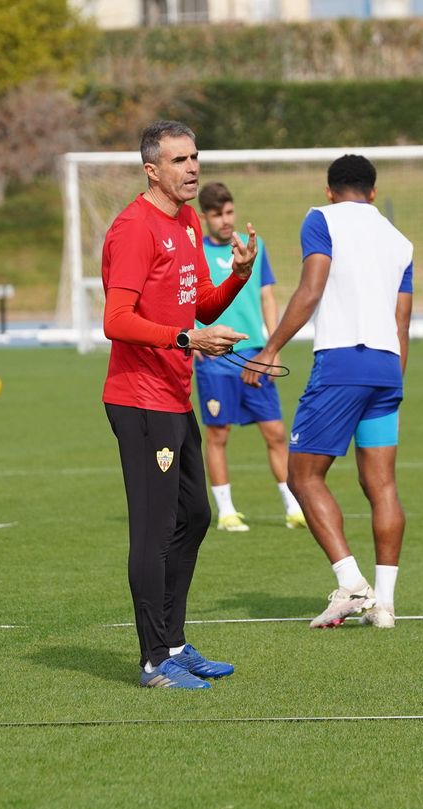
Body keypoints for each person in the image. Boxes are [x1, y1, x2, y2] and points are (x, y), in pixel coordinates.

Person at [101, 120, 253, 689]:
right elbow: (116, 321)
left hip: (173, 395)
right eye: (179, 160)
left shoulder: (187, 220)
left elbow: (201, 306)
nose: (192, 168)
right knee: (155, 529)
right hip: (139, 402)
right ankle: (152, 660)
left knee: (195, 516)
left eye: (195, 157)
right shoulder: (133, 229)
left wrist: (238, 277)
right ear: (152, 170)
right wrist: (187, 339)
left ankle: (174, 642)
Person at [250, 154, 412, 630]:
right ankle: (385, 606)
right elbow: (402, 320)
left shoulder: (320, 218)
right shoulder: (399, 240)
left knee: (302, 476)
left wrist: (270, 348)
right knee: (382, 486)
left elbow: (311, 288)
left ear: (329, 190)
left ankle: (351, 584)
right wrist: (394, 382)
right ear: (373, 192)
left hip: (343, 363)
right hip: (388, 368)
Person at [192, 182, 307, 532]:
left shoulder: (254, 246)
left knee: (275, 432)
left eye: (229, 212)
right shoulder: (194, 251)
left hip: (255, 354)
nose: (226, 220)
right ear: (204, 217)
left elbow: (267, 297)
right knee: (218, 434)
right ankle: (226, 511)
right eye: (217, 214)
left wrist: (273, 350)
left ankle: (294, 507)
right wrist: (194, 340)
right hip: (214, 357)